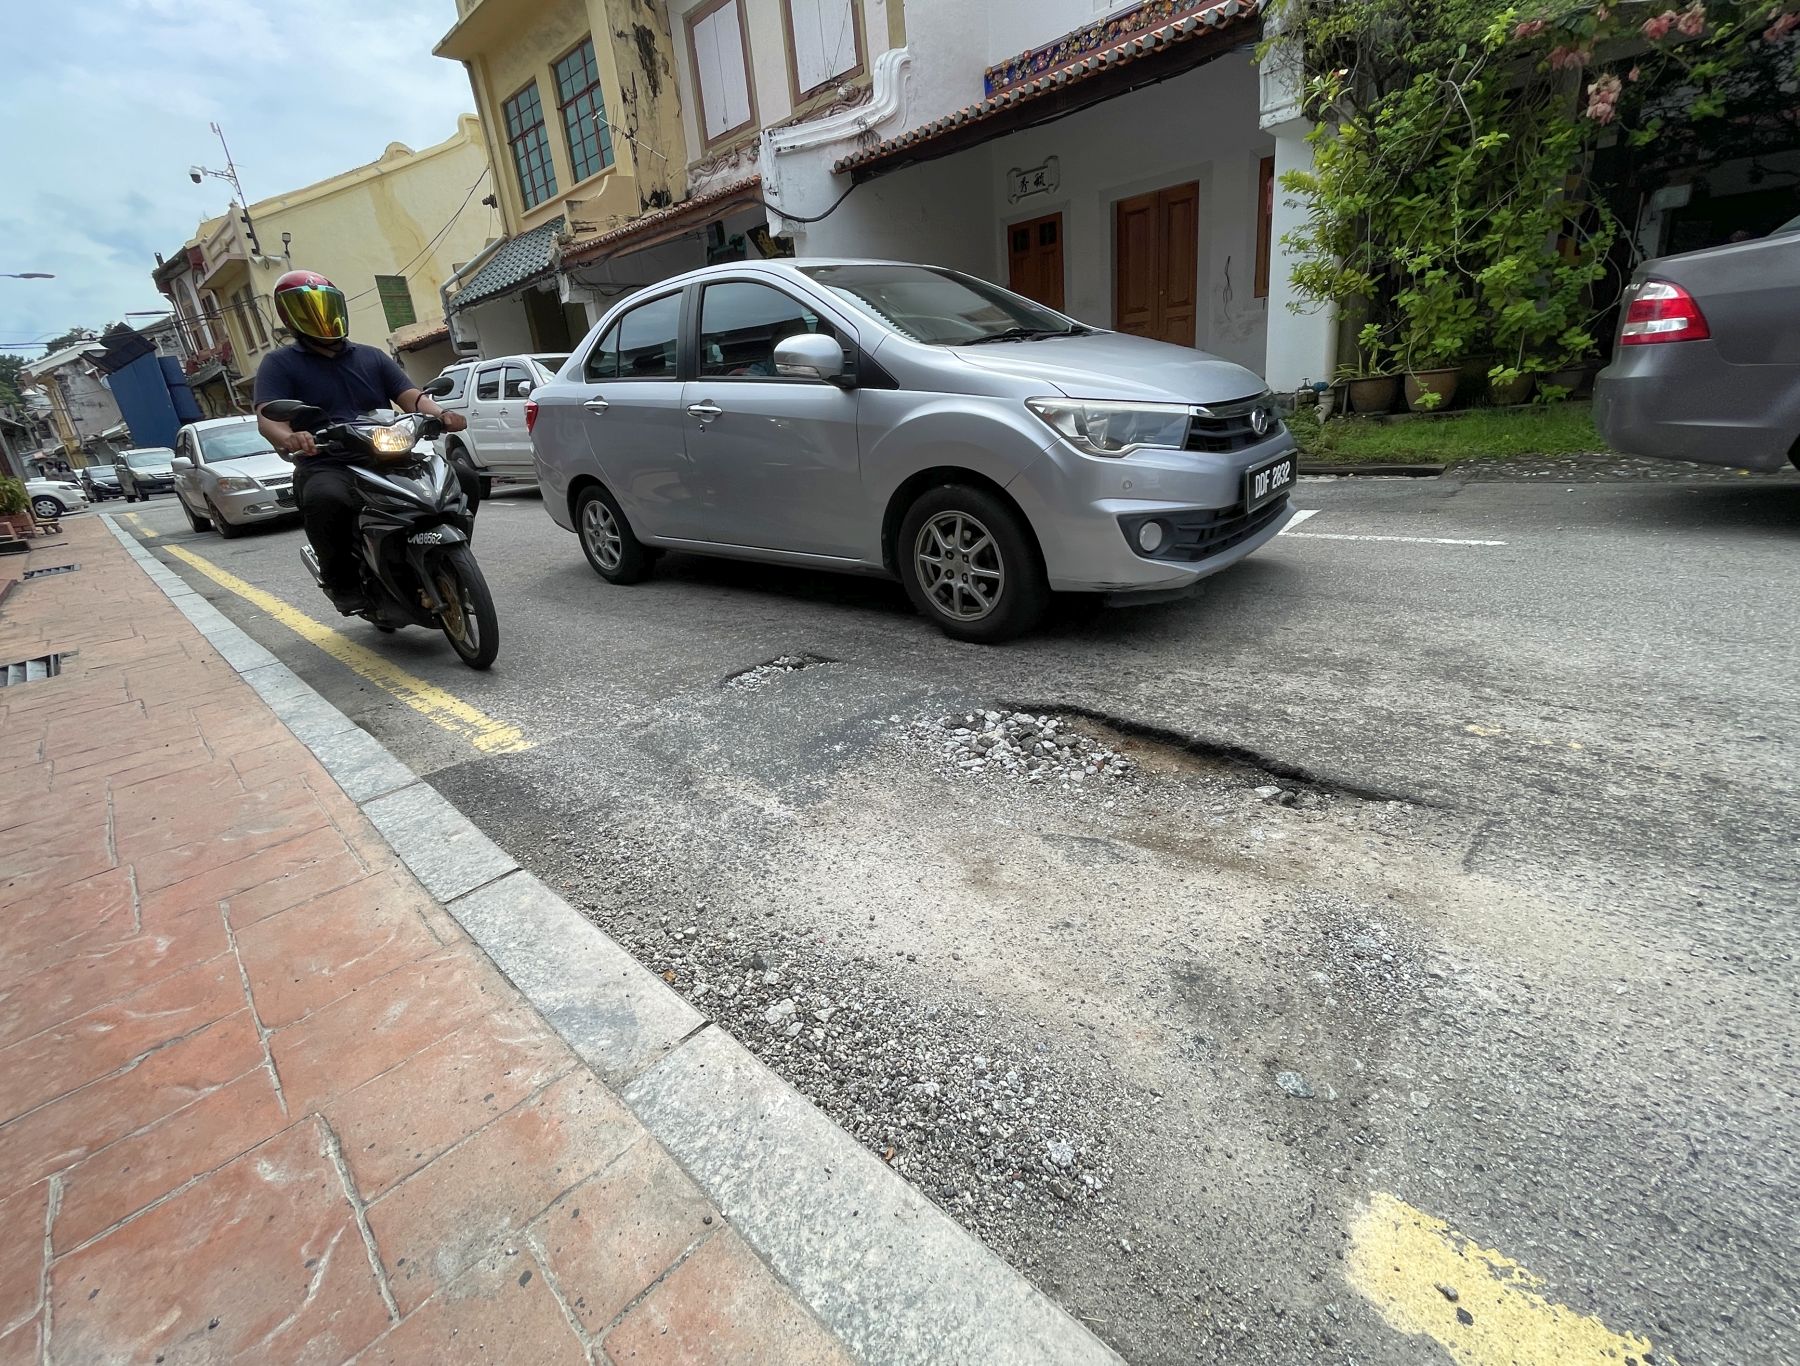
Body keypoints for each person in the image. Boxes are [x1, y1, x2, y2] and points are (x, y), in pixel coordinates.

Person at [254, 269, 472, 612]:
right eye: (308, 309)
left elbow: (410, 395)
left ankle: (450, 556)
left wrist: (441, 414)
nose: (321, 317)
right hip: (328, 459)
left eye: (325, 307)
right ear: (290, 316)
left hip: (387, 452)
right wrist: (292, 437)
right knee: (326, 499)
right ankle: (343, 582)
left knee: (464, 478)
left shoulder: (370, 356)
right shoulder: (280, 363)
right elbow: (268, 416)